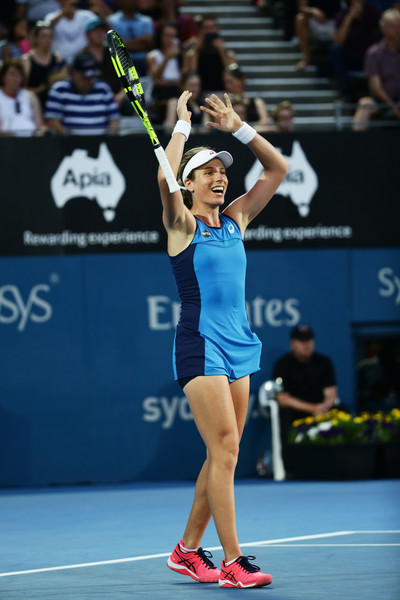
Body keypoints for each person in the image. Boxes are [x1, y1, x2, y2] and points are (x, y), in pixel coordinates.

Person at [158, 90, 289, 587]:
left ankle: (186, 550)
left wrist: (238, 127)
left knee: (221, 454)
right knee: (227, 448)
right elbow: (163, 180)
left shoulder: (236, 219)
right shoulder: (181, 224)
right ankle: (233, 561)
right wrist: (182, 128)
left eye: (223, 171)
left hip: (240, 345)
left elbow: (277, 170)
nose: (220, 177)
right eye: (208, 171)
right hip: (201, 343)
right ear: (188, 183)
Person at [272, 325, 338, 469]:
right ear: (292, 344)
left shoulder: (324, 362)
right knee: (285, 414)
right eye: (302, 341)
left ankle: (333, 464)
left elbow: (331, 393)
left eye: (309, 340)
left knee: (340, 411)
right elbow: (283, 399)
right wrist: (312, 409)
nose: (306, 344)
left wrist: (323, 408)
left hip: (321, 411)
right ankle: (291, 467)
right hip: (296, 411)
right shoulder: (282, 364)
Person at [44, 51, 119, 134]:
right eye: (86, 77)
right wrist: (68, 138)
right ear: (74, 72)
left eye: (92, 77)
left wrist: (108, 141)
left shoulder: (103, 88)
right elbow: (52, 121)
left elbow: (114, 119)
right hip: (69, 144)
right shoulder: (59, 89)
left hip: (101, 143)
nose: (90, 81)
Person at [352, 8, 400, 130]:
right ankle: (355, 145)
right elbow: (376, 87)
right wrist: (392, 106)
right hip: (381, 102)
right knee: (365, 104)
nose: (397, 30)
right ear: (383, 29)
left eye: (399, 26)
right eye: (393, 27)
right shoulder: (374, 53)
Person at [330, 0, 380, 101]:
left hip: (371, 56)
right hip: (352, 57)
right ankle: (348, 93)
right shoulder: (342, 15)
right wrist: (350, 18)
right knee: (335, 50)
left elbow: (383, 34)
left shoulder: (372, 12)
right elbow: (338, 41)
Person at [184, 14, 236, 97]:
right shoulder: (194, 51)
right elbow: (192, 72)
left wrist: (222, 51)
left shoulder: (227, 52)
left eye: (212, 27)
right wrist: (197, 49)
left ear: (217, 28)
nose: (209, 31)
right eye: (206, 28)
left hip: (223, 92)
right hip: (201, 94)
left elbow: (232, 74)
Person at [21, 20, 68, 110]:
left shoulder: (58, 58)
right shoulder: (27, 60)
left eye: (50, 36)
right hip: (33, 104)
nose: (47, 40)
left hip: (54, 104)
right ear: (36, 38)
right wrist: (38, 90)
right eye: (44, 36)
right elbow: (21, 89)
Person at [146, 21, 188, 121]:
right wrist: (167, 58)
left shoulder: (181, 57)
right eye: (167, 36)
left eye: (173, 36)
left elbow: (185, 79)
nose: (170, 40)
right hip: (160, 94)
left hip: (178, 92)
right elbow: (156, 79)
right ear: (160, 37)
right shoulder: (153, 56)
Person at [108, 0, 155, 76]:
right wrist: (141, 42)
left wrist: (122, 42)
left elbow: (149, 44)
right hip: (122, 62)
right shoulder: (112, 20)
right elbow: (114, 44)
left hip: (144, 62)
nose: (132, 1)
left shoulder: (146, 20)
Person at [0, 58, 44, 136]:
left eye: (18, 75)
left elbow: (39, 126)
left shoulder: (31, 97)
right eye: (12, 74)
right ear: (3, 77)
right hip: (6, 143)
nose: (15, 78)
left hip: (32, 141)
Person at [293, 0, 341, 70]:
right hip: (316, 22)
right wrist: (313, 11)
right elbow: (301, 7)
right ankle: (307, 58)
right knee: (300, 18)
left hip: (335, 21)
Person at [44, 0, 96, 64]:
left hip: (84, 60)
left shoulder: (87, 15)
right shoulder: (51, 16)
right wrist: (63, 13)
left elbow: (103, 29)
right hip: (60, 62)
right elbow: (45, 29)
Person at [223, 64, 270, 130]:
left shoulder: (257, 102)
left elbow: (265, 121)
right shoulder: (222, 103)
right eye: (225, 82)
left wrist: (245, 129)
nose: (227, 86)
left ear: (241, 80)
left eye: (230, 82)